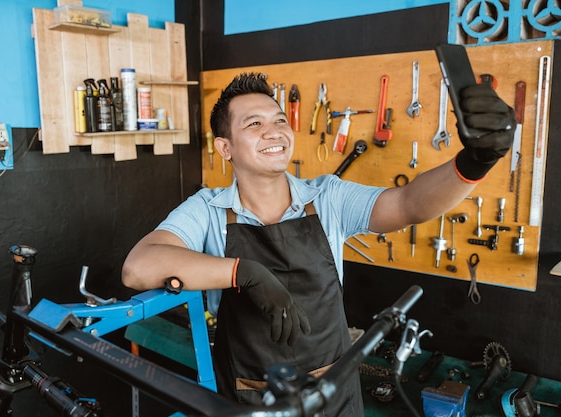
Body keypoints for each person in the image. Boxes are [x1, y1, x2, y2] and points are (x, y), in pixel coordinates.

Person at [122, 72, 515, 416]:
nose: (274, 131)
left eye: (279, 120)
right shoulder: (207, 210)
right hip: (252, 397)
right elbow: (139, 268)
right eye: (254, 123)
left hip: (334, 395)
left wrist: (475, 162)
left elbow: (409, 204)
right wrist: (243, 272)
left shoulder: (328, 197)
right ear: (225, 148)